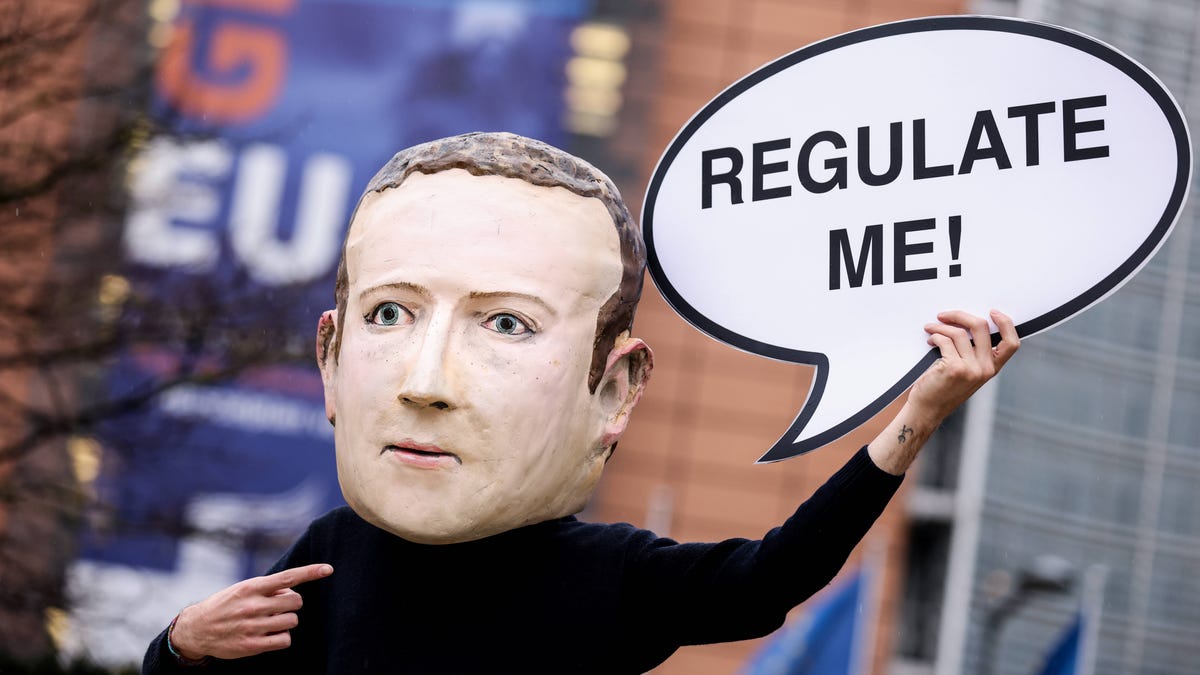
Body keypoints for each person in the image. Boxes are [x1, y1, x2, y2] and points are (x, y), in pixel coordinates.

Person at [142, 132, 1019, 673]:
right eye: (390, 313)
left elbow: (771, 577)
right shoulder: (332, 557)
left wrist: (919, 417)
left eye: (508, 326)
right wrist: (182, 645)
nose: (426, 380)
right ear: (329, 357)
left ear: (615, 388)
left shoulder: (611, 578)